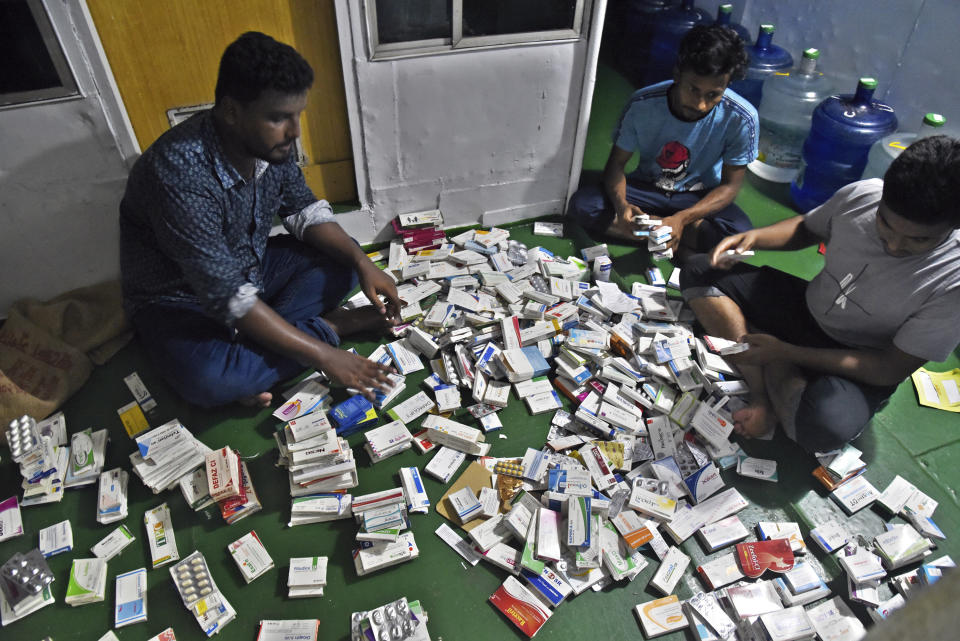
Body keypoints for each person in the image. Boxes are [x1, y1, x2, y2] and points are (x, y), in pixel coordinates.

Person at [120, 32, 401, 408]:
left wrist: (363, 263)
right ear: (232, 112)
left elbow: (303, 211)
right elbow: (226, 294)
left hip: (250, 267)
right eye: (278, 118)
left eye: (297, 115)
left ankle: (262, 350)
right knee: (211, 383)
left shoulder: (271, 145)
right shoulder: (177, 173)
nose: (295, 132)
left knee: (346, 259)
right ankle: (333, 326)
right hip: (178, 298)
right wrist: (325, 354)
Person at [680, 135, 960, 453]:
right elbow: (806, 228)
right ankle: (762, 390)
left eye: (919, 241)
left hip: (860, 358)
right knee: (699, 270)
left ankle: (768, 358)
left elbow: (889, 368)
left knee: (826, 427)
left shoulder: (954, 280)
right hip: (806, 310)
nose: (894, 246)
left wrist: (785, 353)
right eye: (885, 223)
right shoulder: (864, 195)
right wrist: (752, 238)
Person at [568, 24, 758, 256]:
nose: (700, 104)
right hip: (647, 189)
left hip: (698, 197)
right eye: (693, 89)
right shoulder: (643, 104)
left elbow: (731, 186)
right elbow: (616, 165)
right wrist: (622, 207)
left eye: (713, 95)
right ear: (677, 73)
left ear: (727, 86)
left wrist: (682, 218)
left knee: (739, 237)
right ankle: (674, 235)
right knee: (582, 205)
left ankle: (656, 231)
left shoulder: (742, 118)